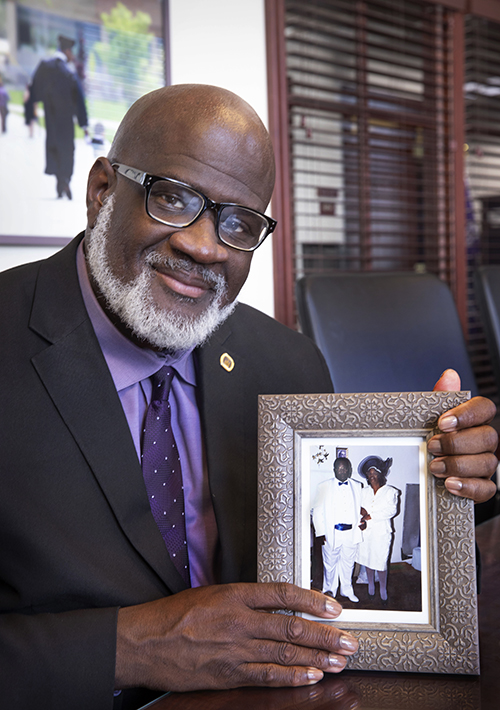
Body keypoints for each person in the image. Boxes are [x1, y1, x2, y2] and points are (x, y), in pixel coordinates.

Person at [0, 85, 497, 710]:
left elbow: (356, 602)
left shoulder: (287, 363)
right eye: (174, 197)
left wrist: (443, 487)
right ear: (103, 192)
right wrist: (133, 648)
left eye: (238, 223)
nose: (205, 246)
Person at [27, 34, 88, 198]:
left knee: (53, 146)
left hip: (51, 118)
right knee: (67, 149)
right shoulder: (69, 72)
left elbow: (34, 89)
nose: (73, 56)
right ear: (67, 51)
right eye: (71, 52)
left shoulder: (45, 66)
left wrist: (29, 113)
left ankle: (59, 182)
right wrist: (83, 122)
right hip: (66, 120)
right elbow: (79, 98)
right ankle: (65, 180)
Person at [312, 457, 363, 602]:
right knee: (330, 563)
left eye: (345, 469)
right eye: (339, 469)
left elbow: (360, 508)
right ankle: (329, 590)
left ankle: (347, 589)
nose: (342, 471)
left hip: (351, 533)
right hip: (331, 533)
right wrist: (321, 532)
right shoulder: (324, 486)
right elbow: (317, 511)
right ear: (334, 470)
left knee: (349, 563)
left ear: (350, 470)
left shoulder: (357, 485)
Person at [357, 456, 399, 601]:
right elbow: (358, 508)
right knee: (368, 560)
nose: (371, 476)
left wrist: (370, 515)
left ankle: (382, 588)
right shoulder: (364, 492)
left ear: (380, 475)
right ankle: (370, 586)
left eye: (374, 473)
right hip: (367, 532)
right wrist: (361, 515)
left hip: (382, 533)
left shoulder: (390, 492)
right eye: (369, 474)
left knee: (380, 562)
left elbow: (391, 511)